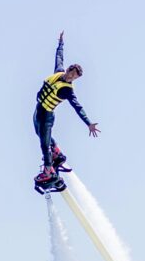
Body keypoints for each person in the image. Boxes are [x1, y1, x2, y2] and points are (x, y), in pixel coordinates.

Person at [34, 31, 100, 186]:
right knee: (41, 135)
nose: (72, 78)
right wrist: (60, 44)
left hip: (47, 116)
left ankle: (48, 170)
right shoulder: (59, 72)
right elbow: (59, 57)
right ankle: (57, 152)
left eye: (75, 77)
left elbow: (78, 107)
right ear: (69, 70)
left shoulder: (67, 90)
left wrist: (88, 123)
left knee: (44, 143)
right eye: (72, 74)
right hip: (38, 110)